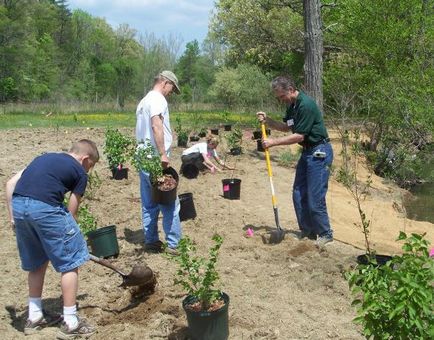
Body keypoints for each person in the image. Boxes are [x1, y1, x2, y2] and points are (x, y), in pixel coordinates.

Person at [5, 139, 99, 338]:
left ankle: (35, 316)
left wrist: (13, 217)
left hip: (20, 207)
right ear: (85, 159)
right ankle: (71, 322)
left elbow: (10, 183)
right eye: (91, 166)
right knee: (70, 264)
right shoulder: (80, 172)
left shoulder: (43, 157)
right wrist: (73, 240)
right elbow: (72, 212)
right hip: (46, 208)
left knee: (37, 263)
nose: (88, 171)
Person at [257, 75, 334, 247]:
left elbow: (300, 135)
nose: (281, 100)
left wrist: (273, 142)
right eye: (278, 97)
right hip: (307, 152)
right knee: (298, 193)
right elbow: (288, 127)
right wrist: (268, 121)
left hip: (319, 151)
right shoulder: (292, 106)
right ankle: (307, 231)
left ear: (290, 90)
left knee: (315, 196)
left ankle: (325, 233)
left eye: (282, 96)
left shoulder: (305, 105)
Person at [135, 70, 182, 255]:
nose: (171, 92)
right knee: (169, 202)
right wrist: (163, 154)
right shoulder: (157, 99)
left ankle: (151, 241)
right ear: (165, 83)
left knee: (149, 202)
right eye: (172, 88)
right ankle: (173, 244)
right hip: (155, 159)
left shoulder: (143, 101)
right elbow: (156, 125)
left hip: (143, 157)